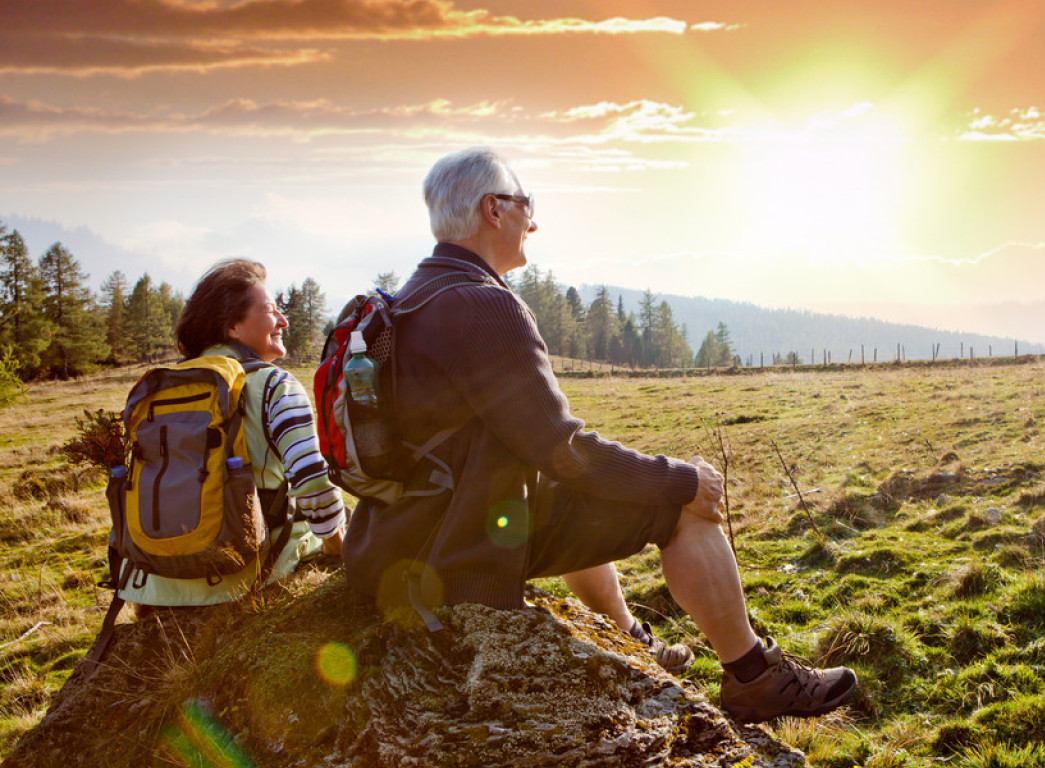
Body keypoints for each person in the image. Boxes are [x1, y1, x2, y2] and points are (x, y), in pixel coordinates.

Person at [342, 147, 857, 722]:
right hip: (450, 559)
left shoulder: (406, 300)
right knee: (680, 509)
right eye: (525, 204)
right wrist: (683, 480)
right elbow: (563, 452)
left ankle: (630, 636)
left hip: (393, 544)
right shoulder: (484, 306)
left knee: (573, 493)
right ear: (493, 210)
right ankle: (755, 677)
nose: (532, 221)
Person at [119, 259, 347, 608]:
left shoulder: (162, 388)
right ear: (232, 328)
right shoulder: (276, 384)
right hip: (242, 575)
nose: (283, 320)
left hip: (157, 582)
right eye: (270, 310)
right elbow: (311, 480)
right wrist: (337, 548)